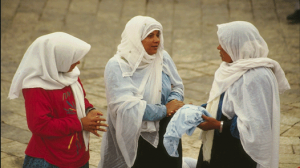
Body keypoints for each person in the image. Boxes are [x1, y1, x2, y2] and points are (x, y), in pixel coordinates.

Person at [196, 21, 290, 168]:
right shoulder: (230, 69)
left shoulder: (257, 76)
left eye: (223, 43)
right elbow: (224, 104)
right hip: (218, 148)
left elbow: (257, 125)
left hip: (238, 155)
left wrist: (219, 125)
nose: (218, 47)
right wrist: (198, 111)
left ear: (237, 46)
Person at [8, 32, 108, 168]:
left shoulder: (70, 74)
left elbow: (79, 99)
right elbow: (40, 125)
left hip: (77, 155)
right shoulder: (36, 87)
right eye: (73, 58)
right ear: (57, 58)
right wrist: (79, 124)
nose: (78, 62)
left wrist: (89, 110)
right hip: (49, 159)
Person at [99, 16, 185, 168]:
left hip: (167, 130)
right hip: (135, 135)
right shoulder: (117, 66)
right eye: (150, 35)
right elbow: (126, 107)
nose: (156, 40)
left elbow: (177, 86)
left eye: (158, 35)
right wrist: (164, 109)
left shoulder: (162, 58)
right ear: (136, 38)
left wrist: (174, 102)